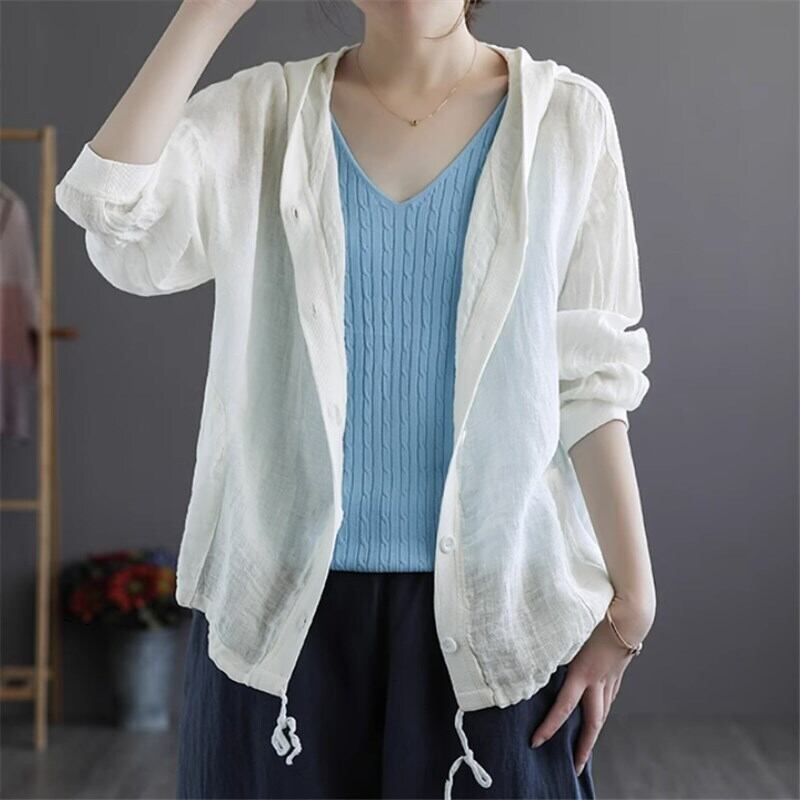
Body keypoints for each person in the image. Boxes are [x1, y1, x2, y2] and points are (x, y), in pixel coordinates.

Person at [54, 1, 657, 798]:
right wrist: (207, 10)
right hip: (278, 617)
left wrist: (632, 602)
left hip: (500, 610)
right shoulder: (263, 114)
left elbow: (589, 378)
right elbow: (114, 218)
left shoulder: (566, 119)